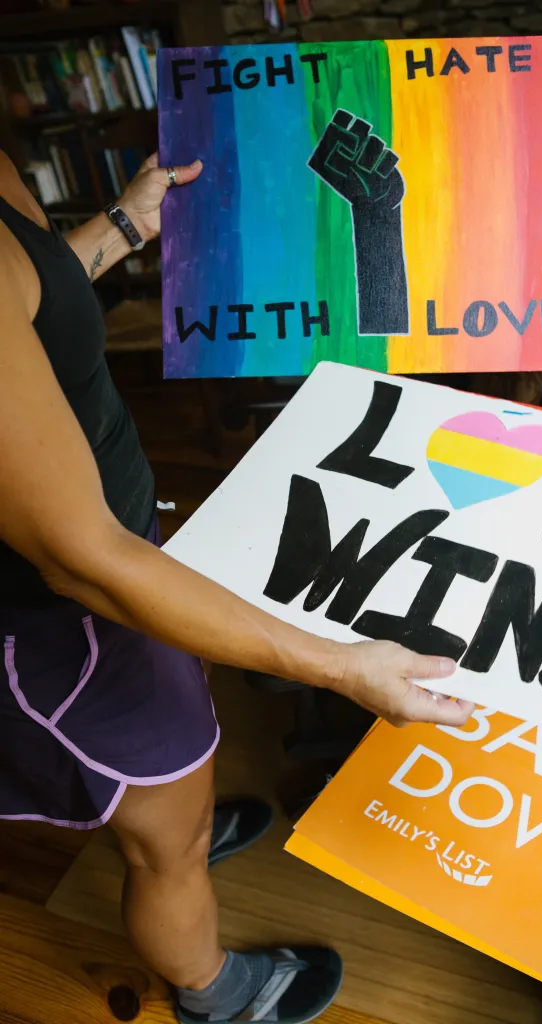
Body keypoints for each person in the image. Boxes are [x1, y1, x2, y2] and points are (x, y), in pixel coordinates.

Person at [0, 149, 474, 1024]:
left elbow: (30, 303)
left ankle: (168, 811)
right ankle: (211, 990)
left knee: (181, 730)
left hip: (113, 552)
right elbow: (83, 559)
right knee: (166, 838)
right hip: (61, 614)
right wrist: (338, 665)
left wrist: (126, 223)